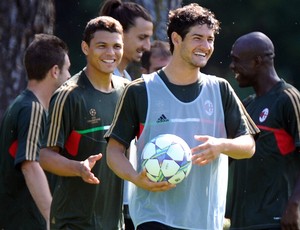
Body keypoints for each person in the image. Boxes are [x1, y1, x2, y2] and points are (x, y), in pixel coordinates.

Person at [105, 3, 259, 230]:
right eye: (197, 38)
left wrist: (221, 145)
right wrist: (136, 178)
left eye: (210, 40)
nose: (205, 46)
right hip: (153, 217)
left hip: (205, 221)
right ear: (176, 39)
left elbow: (248, 145)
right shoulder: (141, 90)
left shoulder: (221, 89)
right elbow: (114, 151)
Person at [39, 16, 129, 229]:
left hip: (114, 222)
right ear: (85, 48)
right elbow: (44, 155)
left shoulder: (127, 90)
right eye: (102, 46)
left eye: (117, 46)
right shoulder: (68, 95)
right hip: (74, 222)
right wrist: (78, 168)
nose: (110, 53)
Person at [226, 31, 300, 230]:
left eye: (236, 60)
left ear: (257, 61)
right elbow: (226, 158)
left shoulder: (288, 98)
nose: (232, 66)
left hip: (277, 221)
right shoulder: (247, 106)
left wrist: (295, 205)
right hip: (241, 222)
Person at [0, 33, 70, 230]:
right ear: (55, 71)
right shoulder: (33, 109)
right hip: (25, 222)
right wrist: (51, 218)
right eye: (67, 70)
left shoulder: (21, 104)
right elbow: (29, 165)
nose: (69, 77)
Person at [100, 1, 153, 229]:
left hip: (126, 200)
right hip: (104, 202)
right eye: (142, 37)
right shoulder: (102, 84)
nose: (148, 45)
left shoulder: (128, 82)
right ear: (120, 33)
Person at [99, 0, 153, 80]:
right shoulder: (101, 80)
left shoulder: (125, 78)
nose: (147, 47)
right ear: (120, 34)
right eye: (141, 37)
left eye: (149, 38)